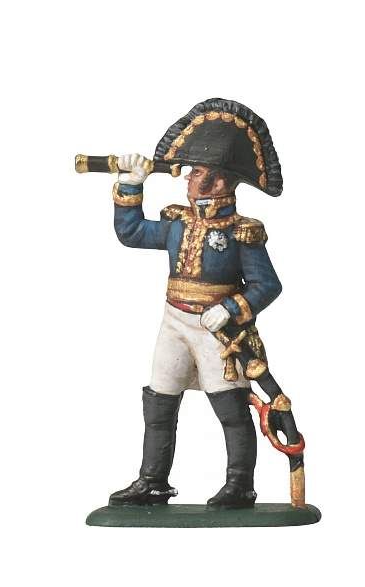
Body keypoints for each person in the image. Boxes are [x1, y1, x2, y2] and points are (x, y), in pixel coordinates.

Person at [107, 99, 284, 508]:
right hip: (174, 323)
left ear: (219, 183)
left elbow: (267, 285)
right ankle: (152, 480)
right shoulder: (178, 223)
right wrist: (132, 184)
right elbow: (131, 233)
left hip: (217, 333)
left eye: (198, 172)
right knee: (159, 401)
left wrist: (232, 308)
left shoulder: (242, 232)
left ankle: (240, 484)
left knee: (230, 408)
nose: (189, 179)